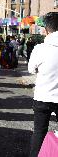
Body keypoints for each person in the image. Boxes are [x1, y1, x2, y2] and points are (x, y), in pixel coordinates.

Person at [28, 12, 58, 157]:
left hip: (43, 96)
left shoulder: (40, 48)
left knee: (39, 131)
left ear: (46, 30)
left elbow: (31, 69)